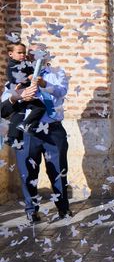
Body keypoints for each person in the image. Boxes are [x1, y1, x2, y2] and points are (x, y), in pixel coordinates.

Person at [0, 44, 72, 223]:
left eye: (40, 52)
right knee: (27, 172)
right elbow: (4, 105)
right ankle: (31, 210)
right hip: (28, 132)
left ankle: (63, 208)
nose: (33, 55)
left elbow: (62, 92)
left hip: (53, 130)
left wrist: (43, 83)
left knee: (58, 170)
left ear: (47, 55)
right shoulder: (18, 75)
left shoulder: (57, 73)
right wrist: (18, 96)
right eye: (31, 53)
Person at [5, 43, 47, 132]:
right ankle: (25, 125)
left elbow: (31, 71)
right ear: (10, 54)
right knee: (40, 107)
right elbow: (14, 80)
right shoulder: (12, 66)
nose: (23, 55)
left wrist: (30, 64)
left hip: (25, 93)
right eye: (19, 53)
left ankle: (26, 126)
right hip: (20, 94)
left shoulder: (23, 63)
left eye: (24, 53)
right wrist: (28, 78)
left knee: (38, 108)